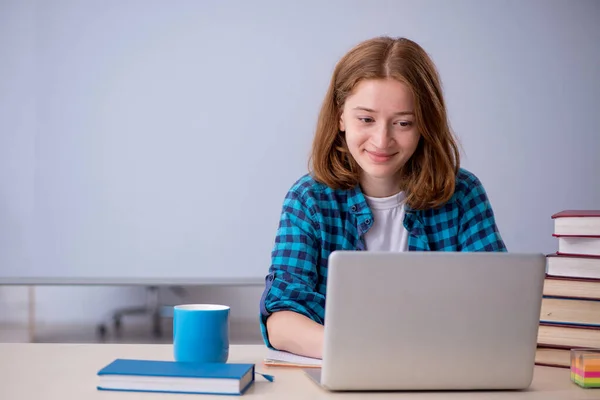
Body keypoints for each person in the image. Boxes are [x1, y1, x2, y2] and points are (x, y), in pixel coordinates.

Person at [258, 36, 506, 359]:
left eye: (403, 123)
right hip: (345, 376)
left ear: (424, 125)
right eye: (366, 119)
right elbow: (281, 321)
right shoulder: (308, 201)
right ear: (340, 117)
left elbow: (500, 305)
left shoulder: (463, 196)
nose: (381, 139)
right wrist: (369, 352)